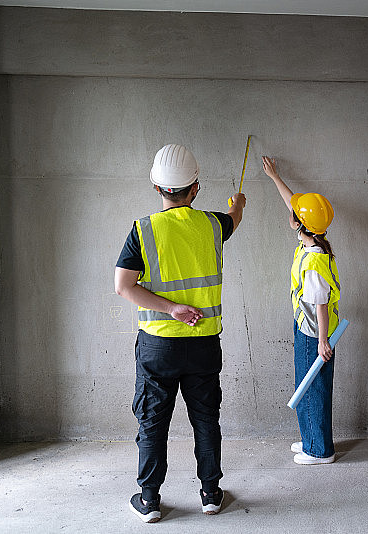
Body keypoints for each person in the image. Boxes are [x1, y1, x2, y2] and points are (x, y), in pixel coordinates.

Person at [115, 144, 245, 523]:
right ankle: (210, 493)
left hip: (159, 346)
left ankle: (150, 499)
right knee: (206, 419)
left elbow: (123, 286)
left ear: (157, 188)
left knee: (153, 420)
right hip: (204, 344)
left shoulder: (144, 229)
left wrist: (171, 309)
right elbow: (235, 216)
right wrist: (237, 201)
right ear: (196, 188)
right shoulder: (213, 225)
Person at [262, 156, 341, 465]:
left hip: (314, 331)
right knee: (307, 385)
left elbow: (320, 304)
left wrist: (323, 342)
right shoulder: (315, 243)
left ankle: (319, 450)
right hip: (310, 327)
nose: (290, 213)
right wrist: (275, 177)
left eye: (294, 215)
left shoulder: (314, 263)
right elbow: (294, 205)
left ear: (299, 224)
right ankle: (311, 438)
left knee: (313, 387)